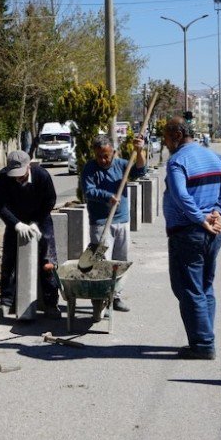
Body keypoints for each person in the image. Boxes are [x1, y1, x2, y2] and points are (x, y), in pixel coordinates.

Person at [162, 117, 221, 360]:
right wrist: (218, 210)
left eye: (165, 137)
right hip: (211, 232)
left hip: (189, 233)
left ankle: (203, 344)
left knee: (189, 289)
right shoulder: (212, 156)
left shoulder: (177, 161)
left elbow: (180, 196)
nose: (164, 143)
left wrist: (201, 218)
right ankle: (204, 335)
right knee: (204, 286)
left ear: (176, 135)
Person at [80, 133, 147, 312]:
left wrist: (139, 151)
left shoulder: (122, 165)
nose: (103, 159)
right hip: (101, 223)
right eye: (99, 156)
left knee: (120, 260)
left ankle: (115, 296)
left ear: (113, 152)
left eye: (106, 155)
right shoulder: (89, 168)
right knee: (101, 261)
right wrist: (107, 197)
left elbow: (140, 171)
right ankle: (99, 297)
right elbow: (89, 191)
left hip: (121, 220)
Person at [0, 150, 61, 319]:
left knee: (48, 261)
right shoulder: (3, 177)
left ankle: (51, 303)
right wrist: (16, 224)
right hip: (16, 221)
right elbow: (0, 206)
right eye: (14, 175)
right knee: (9, 261)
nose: (18, 178)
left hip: (40, 219)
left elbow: (50, 201)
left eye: (21, 175)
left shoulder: (42, 176)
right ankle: (7, 301)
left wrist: (36, 222)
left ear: (28, 166)